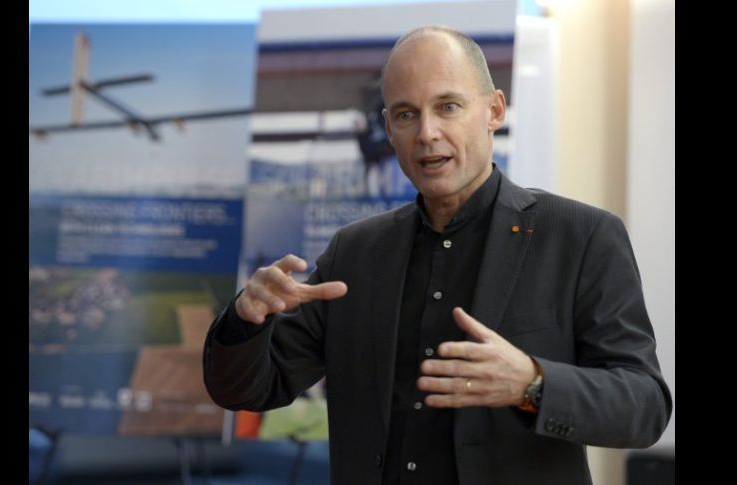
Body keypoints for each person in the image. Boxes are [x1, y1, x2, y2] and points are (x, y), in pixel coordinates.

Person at [204, 25, 671, 485]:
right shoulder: (355, 252)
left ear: (494, 110)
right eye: (406, 114)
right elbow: (248, 388)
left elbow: (644, 407)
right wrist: (246, 319)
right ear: (388, 129)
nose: (427, 133)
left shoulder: (580, 236)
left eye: (448, 107)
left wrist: (532, 384)